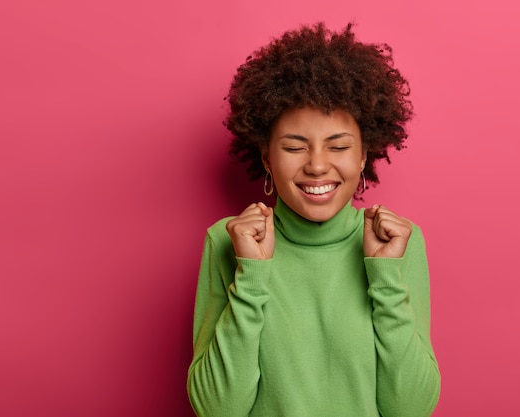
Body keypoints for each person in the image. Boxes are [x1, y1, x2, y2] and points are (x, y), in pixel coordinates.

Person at [187, 22, 440, 417]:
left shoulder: (399, 243)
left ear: (363, 156)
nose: (318, 165)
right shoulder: (227, 240)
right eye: (294, 147)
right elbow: (217, 410)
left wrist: (386, 276)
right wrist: (251, 275)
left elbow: (411, 409)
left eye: (338, 146)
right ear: (267, 157)